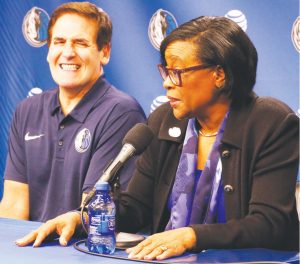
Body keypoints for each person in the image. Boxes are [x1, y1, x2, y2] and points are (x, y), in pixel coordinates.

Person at [15, 16, 300, 260]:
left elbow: (268, 224)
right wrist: (81, 219)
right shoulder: (164, 119)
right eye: (165, 70)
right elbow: (136, 208)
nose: (165, 82)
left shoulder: (271, 122)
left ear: (219, 75)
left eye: (177, 72)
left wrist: (191, 237)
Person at [0, 2, 145, 223]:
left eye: (80, 43)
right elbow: (14, 205)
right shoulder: (27, 110)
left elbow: (92, 211)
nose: (68, 53)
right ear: (49, 49)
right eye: (59, 42)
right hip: (30, 250)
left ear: (104, 52)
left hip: (81, 252)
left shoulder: (121, 113)